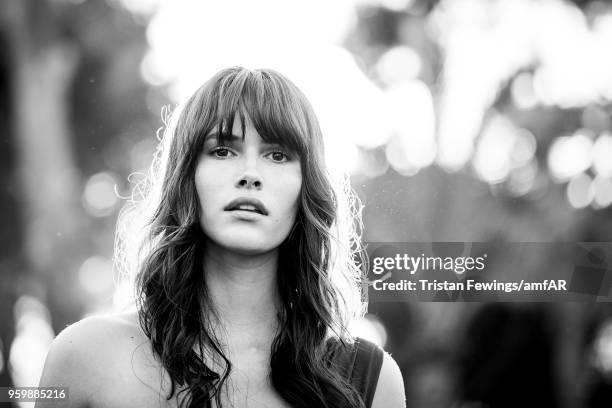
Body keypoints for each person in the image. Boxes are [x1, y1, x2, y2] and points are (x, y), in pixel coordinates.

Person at [36, 67, 405, 408]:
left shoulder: (368, 379)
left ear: (306, 188)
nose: (250, 174)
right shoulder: (85, 356)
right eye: (222, 150)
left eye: (277, 155)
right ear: (187, 178)